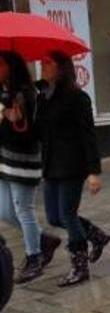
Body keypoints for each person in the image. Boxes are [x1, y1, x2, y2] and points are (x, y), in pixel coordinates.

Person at [13, 51, 109, 286]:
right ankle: (96, 234)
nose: (42, 67)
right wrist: (18, 118)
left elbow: (89, 137)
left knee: (66, 214)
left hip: (72, 165)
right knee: (55, 216)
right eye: (41, 62)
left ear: (61, 67)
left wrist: (94, 172)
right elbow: (37, 134)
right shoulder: (44, 96)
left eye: (47, 63)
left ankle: (80, 265)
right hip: (51, 165)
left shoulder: (77, 98)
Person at [0, 51, 62, 284]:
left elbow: (29, 134)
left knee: (23, 209)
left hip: (23, 161)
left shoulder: (27, 93)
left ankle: (34, 257)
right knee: (4, 211)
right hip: (4, 160)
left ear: (10, 67)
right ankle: (42, 239)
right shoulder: (4, 93)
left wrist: (14, 119)